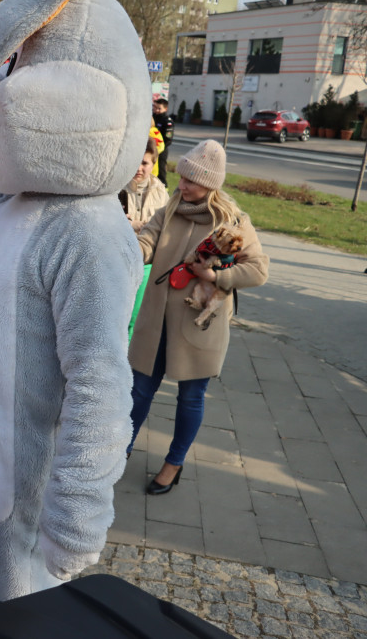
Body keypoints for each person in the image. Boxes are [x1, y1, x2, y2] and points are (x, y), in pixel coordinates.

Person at [126, 140, 269, 494]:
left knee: (191, 396)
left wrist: (217, 277)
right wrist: (125, 249)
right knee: (139, 390)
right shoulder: (170, 209)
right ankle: (118, 451)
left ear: (212, 183)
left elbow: (259, 270)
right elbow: (147, 242)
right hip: (156, 320)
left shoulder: (233, 221)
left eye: (191, 180)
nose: (182, 185)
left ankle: (173, 464)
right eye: (182, 177)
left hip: (198, 323)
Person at [122, 138, 170, 338]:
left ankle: (127, 363)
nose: (139, 168)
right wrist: (128, 224)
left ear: (153, 164)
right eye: (136, 162)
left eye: (145, 163)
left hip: (146, 264)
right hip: (118, 260)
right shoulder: (116, 188)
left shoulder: (161, 193)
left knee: (134, 318)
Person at [153, 97, 173, 184]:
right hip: (151, 149)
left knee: (161, 172)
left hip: (161, 151)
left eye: (159, 108)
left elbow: (168, 140)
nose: (156, 110)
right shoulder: (152, 118)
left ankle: (164, 190)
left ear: (165, 109)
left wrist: (159, 149)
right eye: (155, 107)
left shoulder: (167, 121)